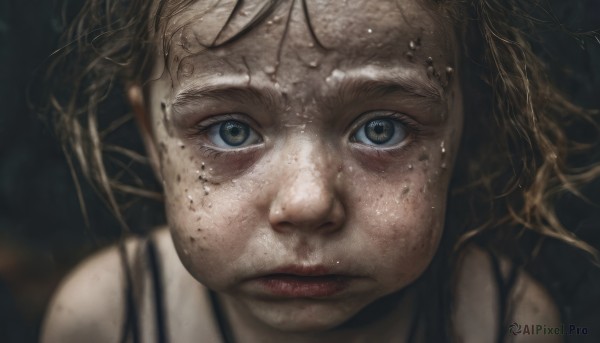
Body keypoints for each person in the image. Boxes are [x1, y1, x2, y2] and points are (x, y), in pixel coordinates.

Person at [39, 0, 600, 342]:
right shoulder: (106, 319)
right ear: (153, 138)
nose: (307, 203)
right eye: (231, 130)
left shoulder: (506, 320)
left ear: (461, 126)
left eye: (382, 129)